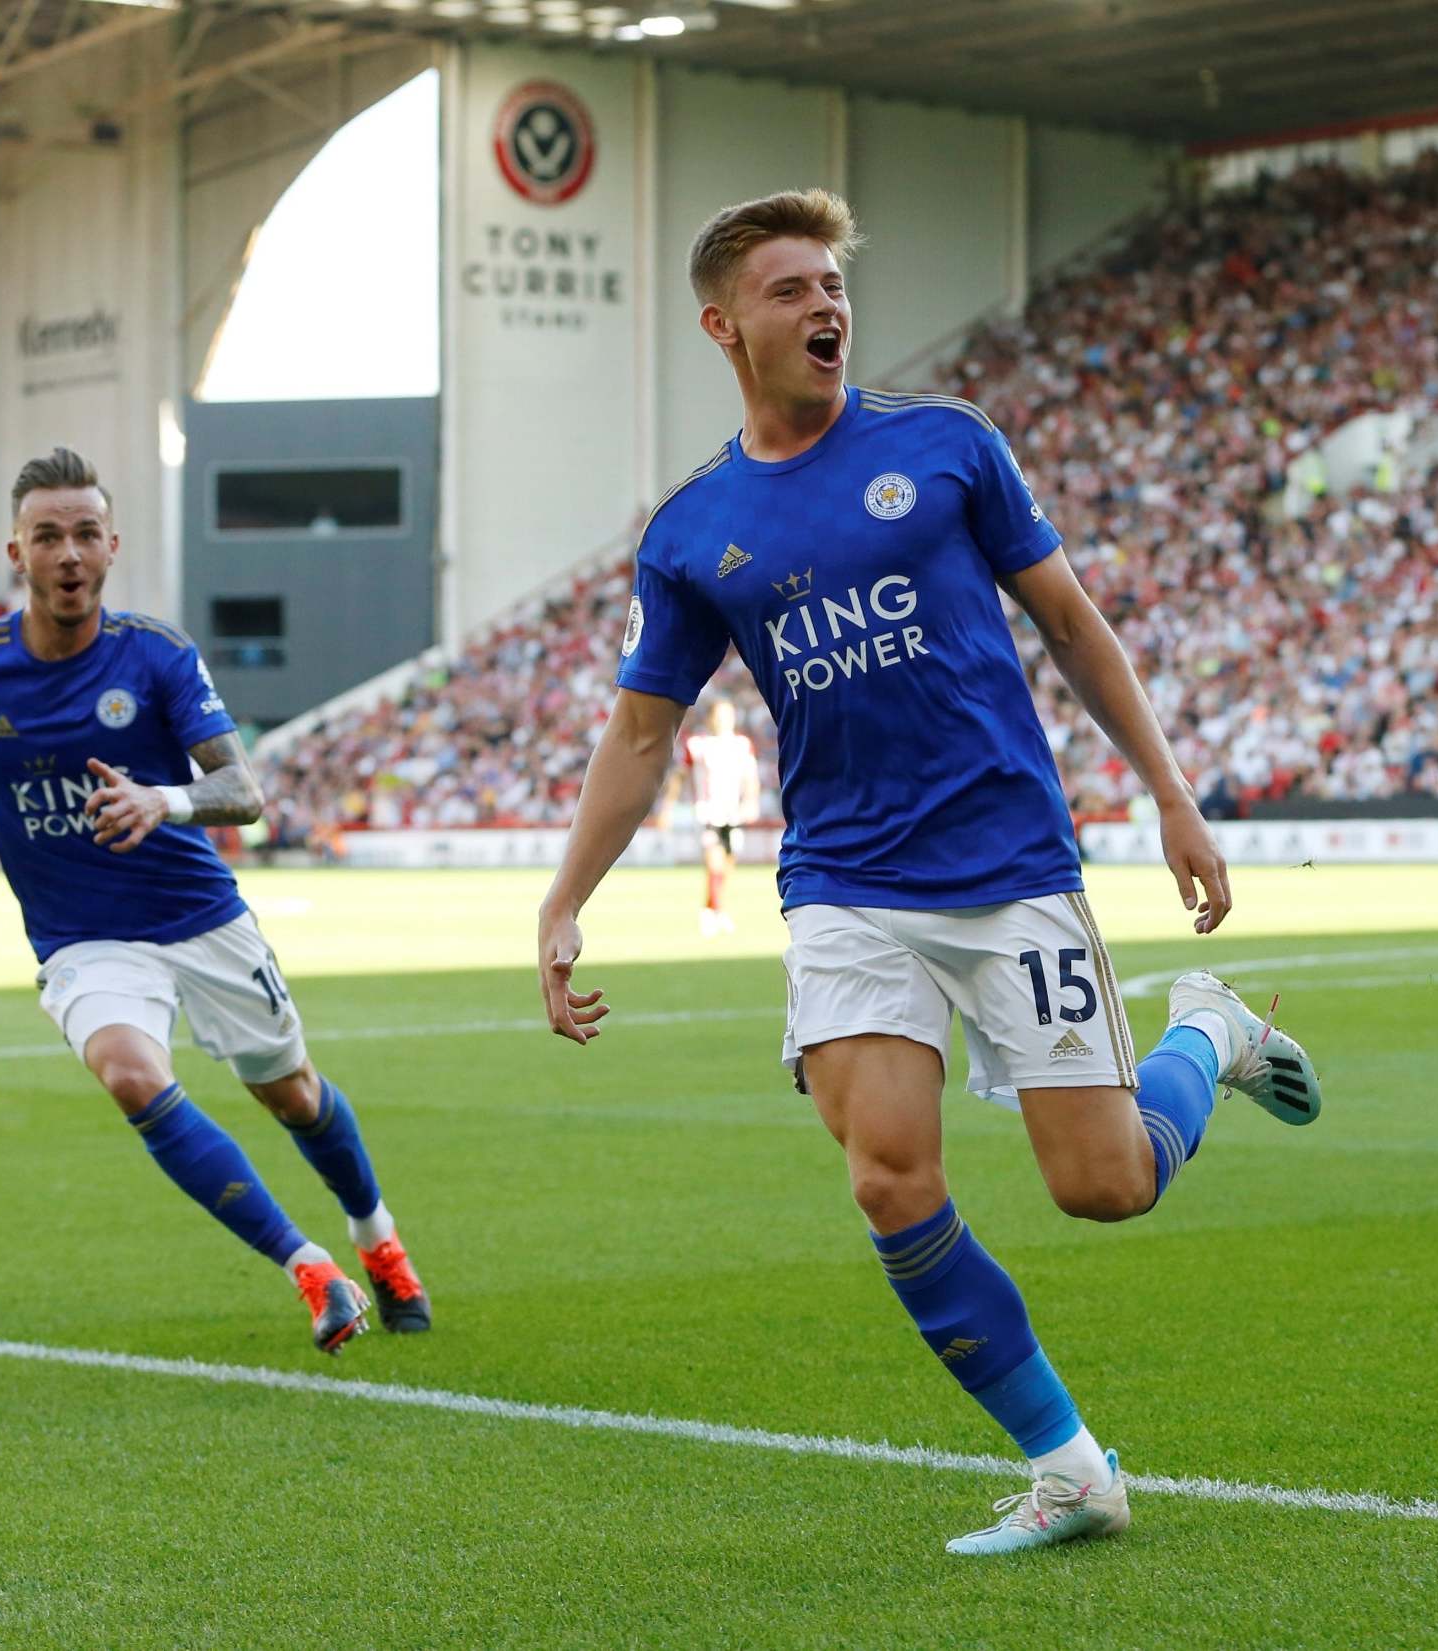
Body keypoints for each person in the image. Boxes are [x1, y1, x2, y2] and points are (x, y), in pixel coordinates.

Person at [534, 189, 1322, 1557]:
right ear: (725, 325)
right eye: (789, 289)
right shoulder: (692, 529)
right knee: (889, 1178)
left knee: (1106, 1184)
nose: (824, 306)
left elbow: (1072, 625)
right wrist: (564, 896)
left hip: (1008, 860)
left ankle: (1208, 1025)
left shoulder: (948, 446)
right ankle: (1072, 1465)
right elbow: (644, 728)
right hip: (843, 881)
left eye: (832, 284)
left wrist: (1172, 794)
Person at [0, 448, 429, 1351]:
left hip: (199, 916)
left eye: (83, 534)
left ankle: (377, 1238)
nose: (67, 553)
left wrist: (165, 799)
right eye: (47, 536)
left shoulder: (156, 654)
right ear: (16, 554)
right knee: (130, 1074)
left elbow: (246, 792)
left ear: (111, 547)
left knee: (294, 1096)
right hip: (82, 939)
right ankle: (310, 1267)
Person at [657, 698, 761, 936]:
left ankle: (715, 908)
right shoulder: (698, 745)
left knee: (728, 862)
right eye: (720, 715)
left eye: (728, 715)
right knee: (714, 861)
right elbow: (679, 777)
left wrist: (751, 801)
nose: (724, 720)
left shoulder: (742, 745)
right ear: (710, 718)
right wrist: (667, 807)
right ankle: (711, 914)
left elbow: (751, 777)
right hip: (707, 812)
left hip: (733, 812)